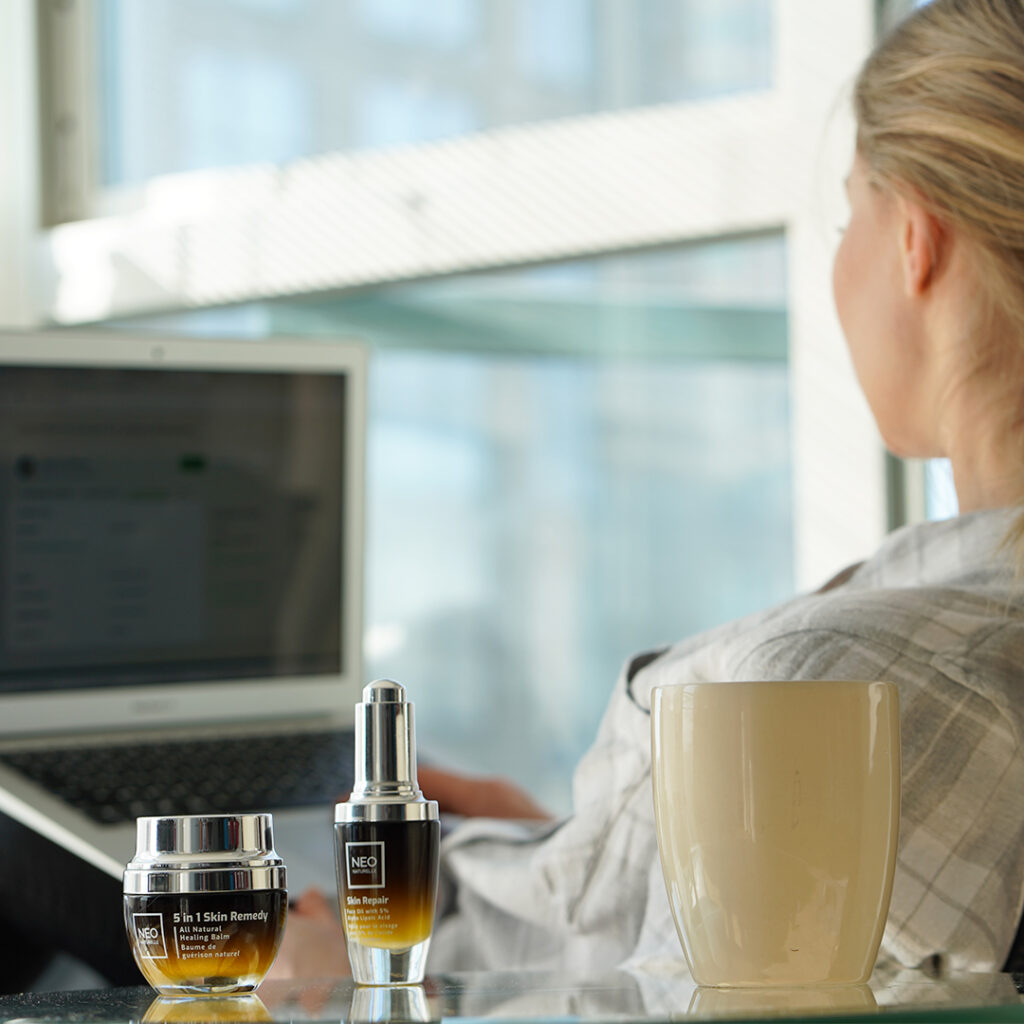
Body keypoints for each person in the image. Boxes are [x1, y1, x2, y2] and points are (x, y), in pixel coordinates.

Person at [274, 0, 1024, 978]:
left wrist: (347, 988)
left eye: (850, 216)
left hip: (411, 959)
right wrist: (588, 841)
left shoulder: (833, 691)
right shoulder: (943, 640)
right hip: (501, 902)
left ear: (914, 240)